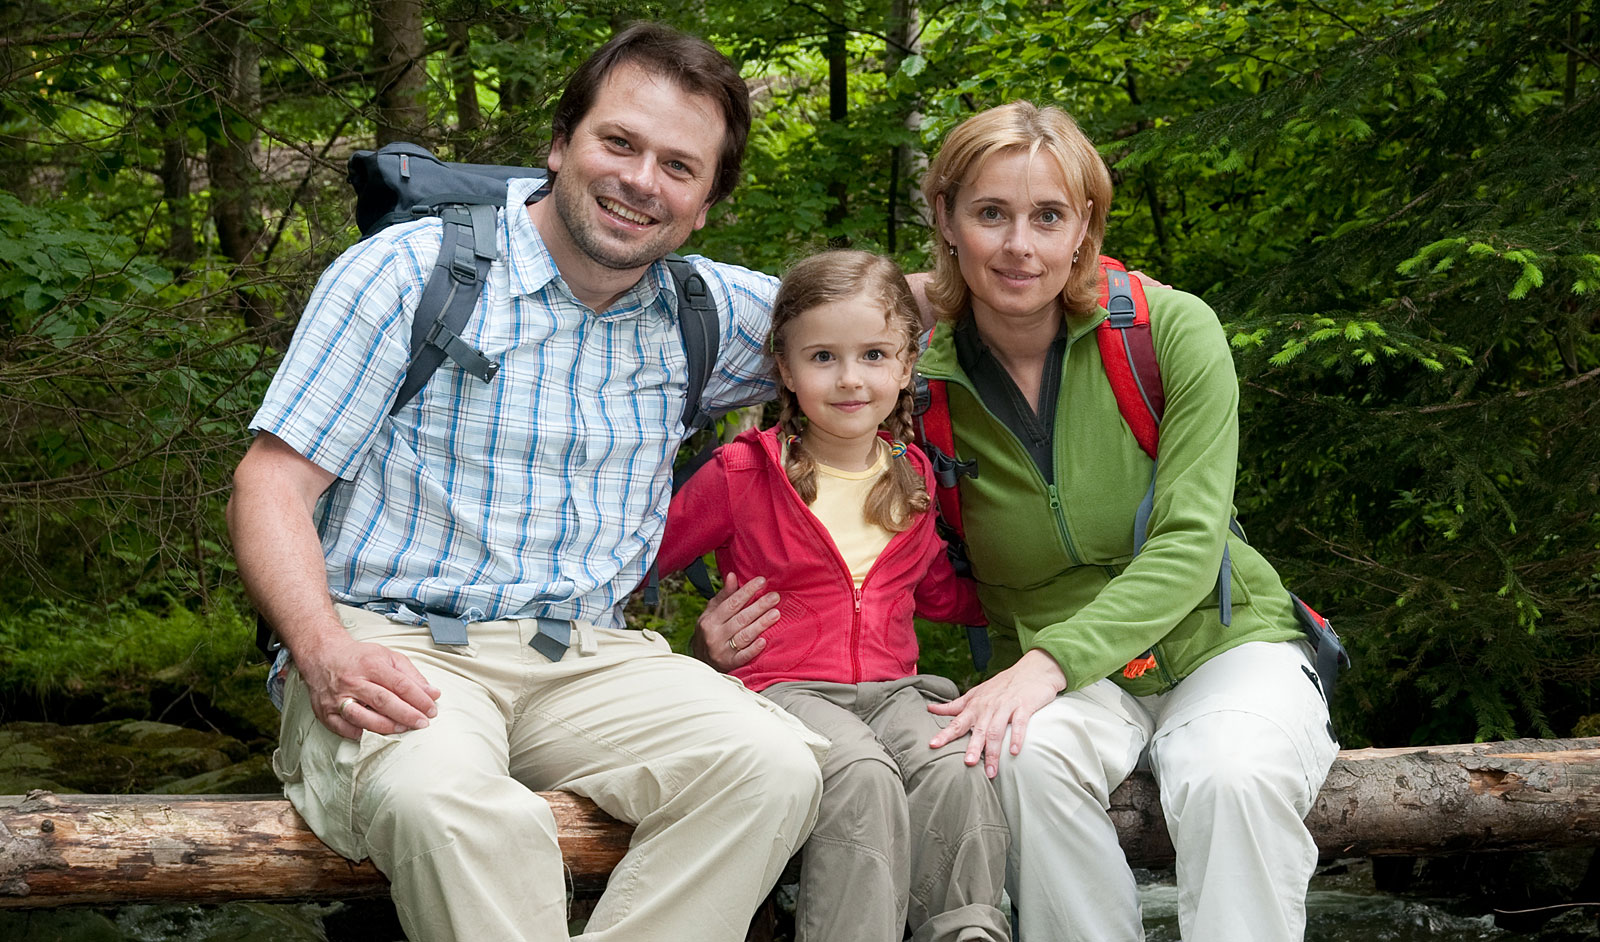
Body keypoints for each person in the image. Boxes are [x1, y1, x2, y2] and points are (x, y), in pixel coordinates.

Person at [226, 23, 826, 942]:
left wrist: (1038, 255)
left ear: (705, 203)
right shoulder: (410, 273)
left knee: (772, 766)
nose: (640, 181)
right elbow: (271, 485)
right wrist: (320, 647)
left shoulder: (708, 312)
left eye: (679, 166)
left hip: (589, 658)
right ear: (559, 145)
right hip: (398, 645)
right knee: (453, 808)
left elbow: (889, 321)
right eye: (618, 142)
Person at [697, 101, 1340, 941]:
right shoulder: (906, 371)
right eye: (990, 214)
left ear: (1085, 228)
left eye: (1048, 216)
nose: (1018, 246)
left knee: (1233, 774)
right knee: (1017, 762)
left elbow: (1189, 545)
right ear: (946, 219)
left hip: (1220, 640)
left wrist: (1047, 665)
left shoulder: (1168, 331)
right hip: (1044, 656)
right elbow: (831, 497)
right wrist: (733, 628)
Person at [657, 250, 1011, 942]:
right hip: (782, 689)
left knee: (953, 762)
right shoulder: (743, 472)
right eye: (823, 357)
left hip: (895, 689)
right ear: (785, 370)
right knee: (862, 775)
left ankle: (966, 931)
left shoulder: (914, 476)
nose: (851, 379)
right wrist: (693, 655)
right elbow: (638, 561)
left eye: (874, 355)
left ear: (907, 366)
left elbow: (940, 592)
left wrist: (1042, 601)